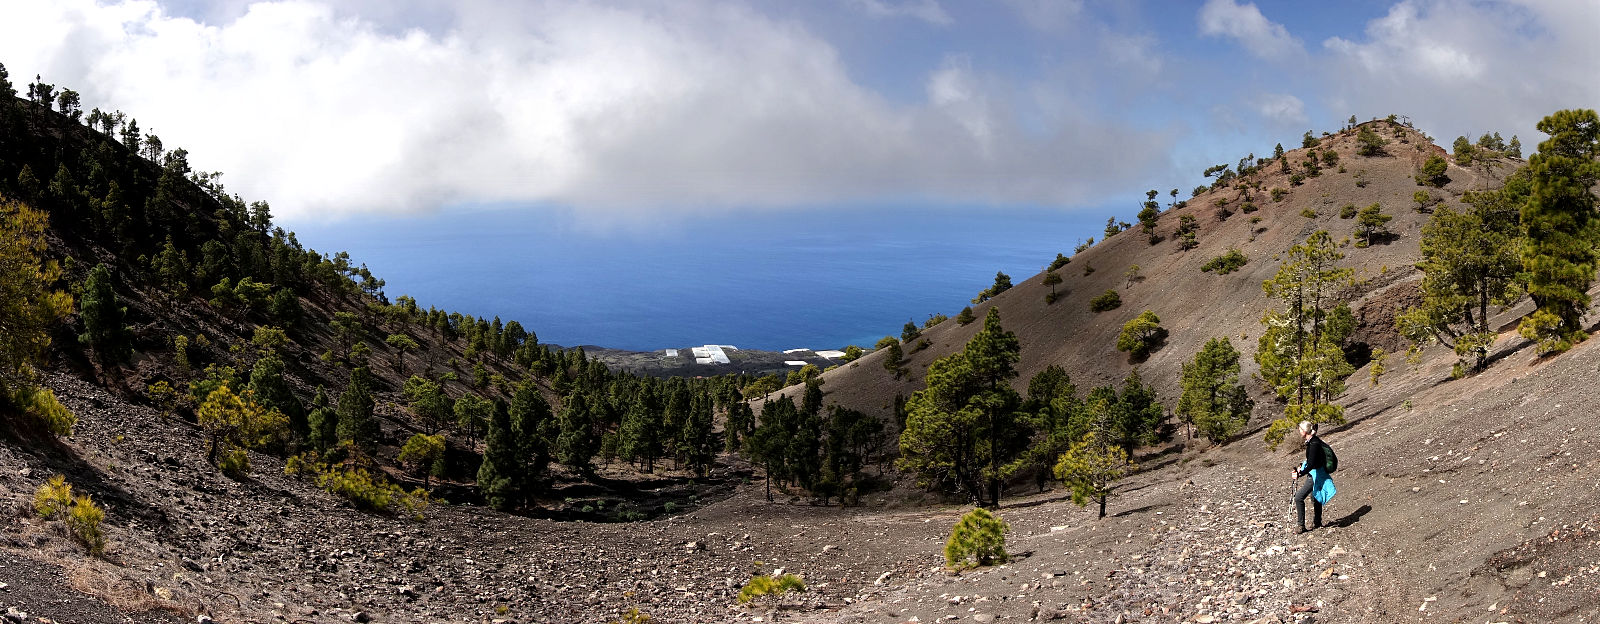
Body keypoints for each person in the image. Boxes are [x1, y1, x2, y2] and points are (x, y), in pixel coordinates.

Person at [1289, 420, 1336, 534]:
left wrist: (1300, 473)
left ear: (1305, 431)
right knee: (1315, 497)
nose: (1299, 431)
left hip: (1315, 475)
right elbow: (1312, 460)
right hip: (1318, 473)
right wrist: (1302, 466)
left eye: (1300, 429)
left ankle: (1301, 526)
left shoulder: (1313, 443)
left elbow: (1312, 464)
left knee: (1299, 497)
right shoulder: (1313, 441)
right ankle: (1317, 522)